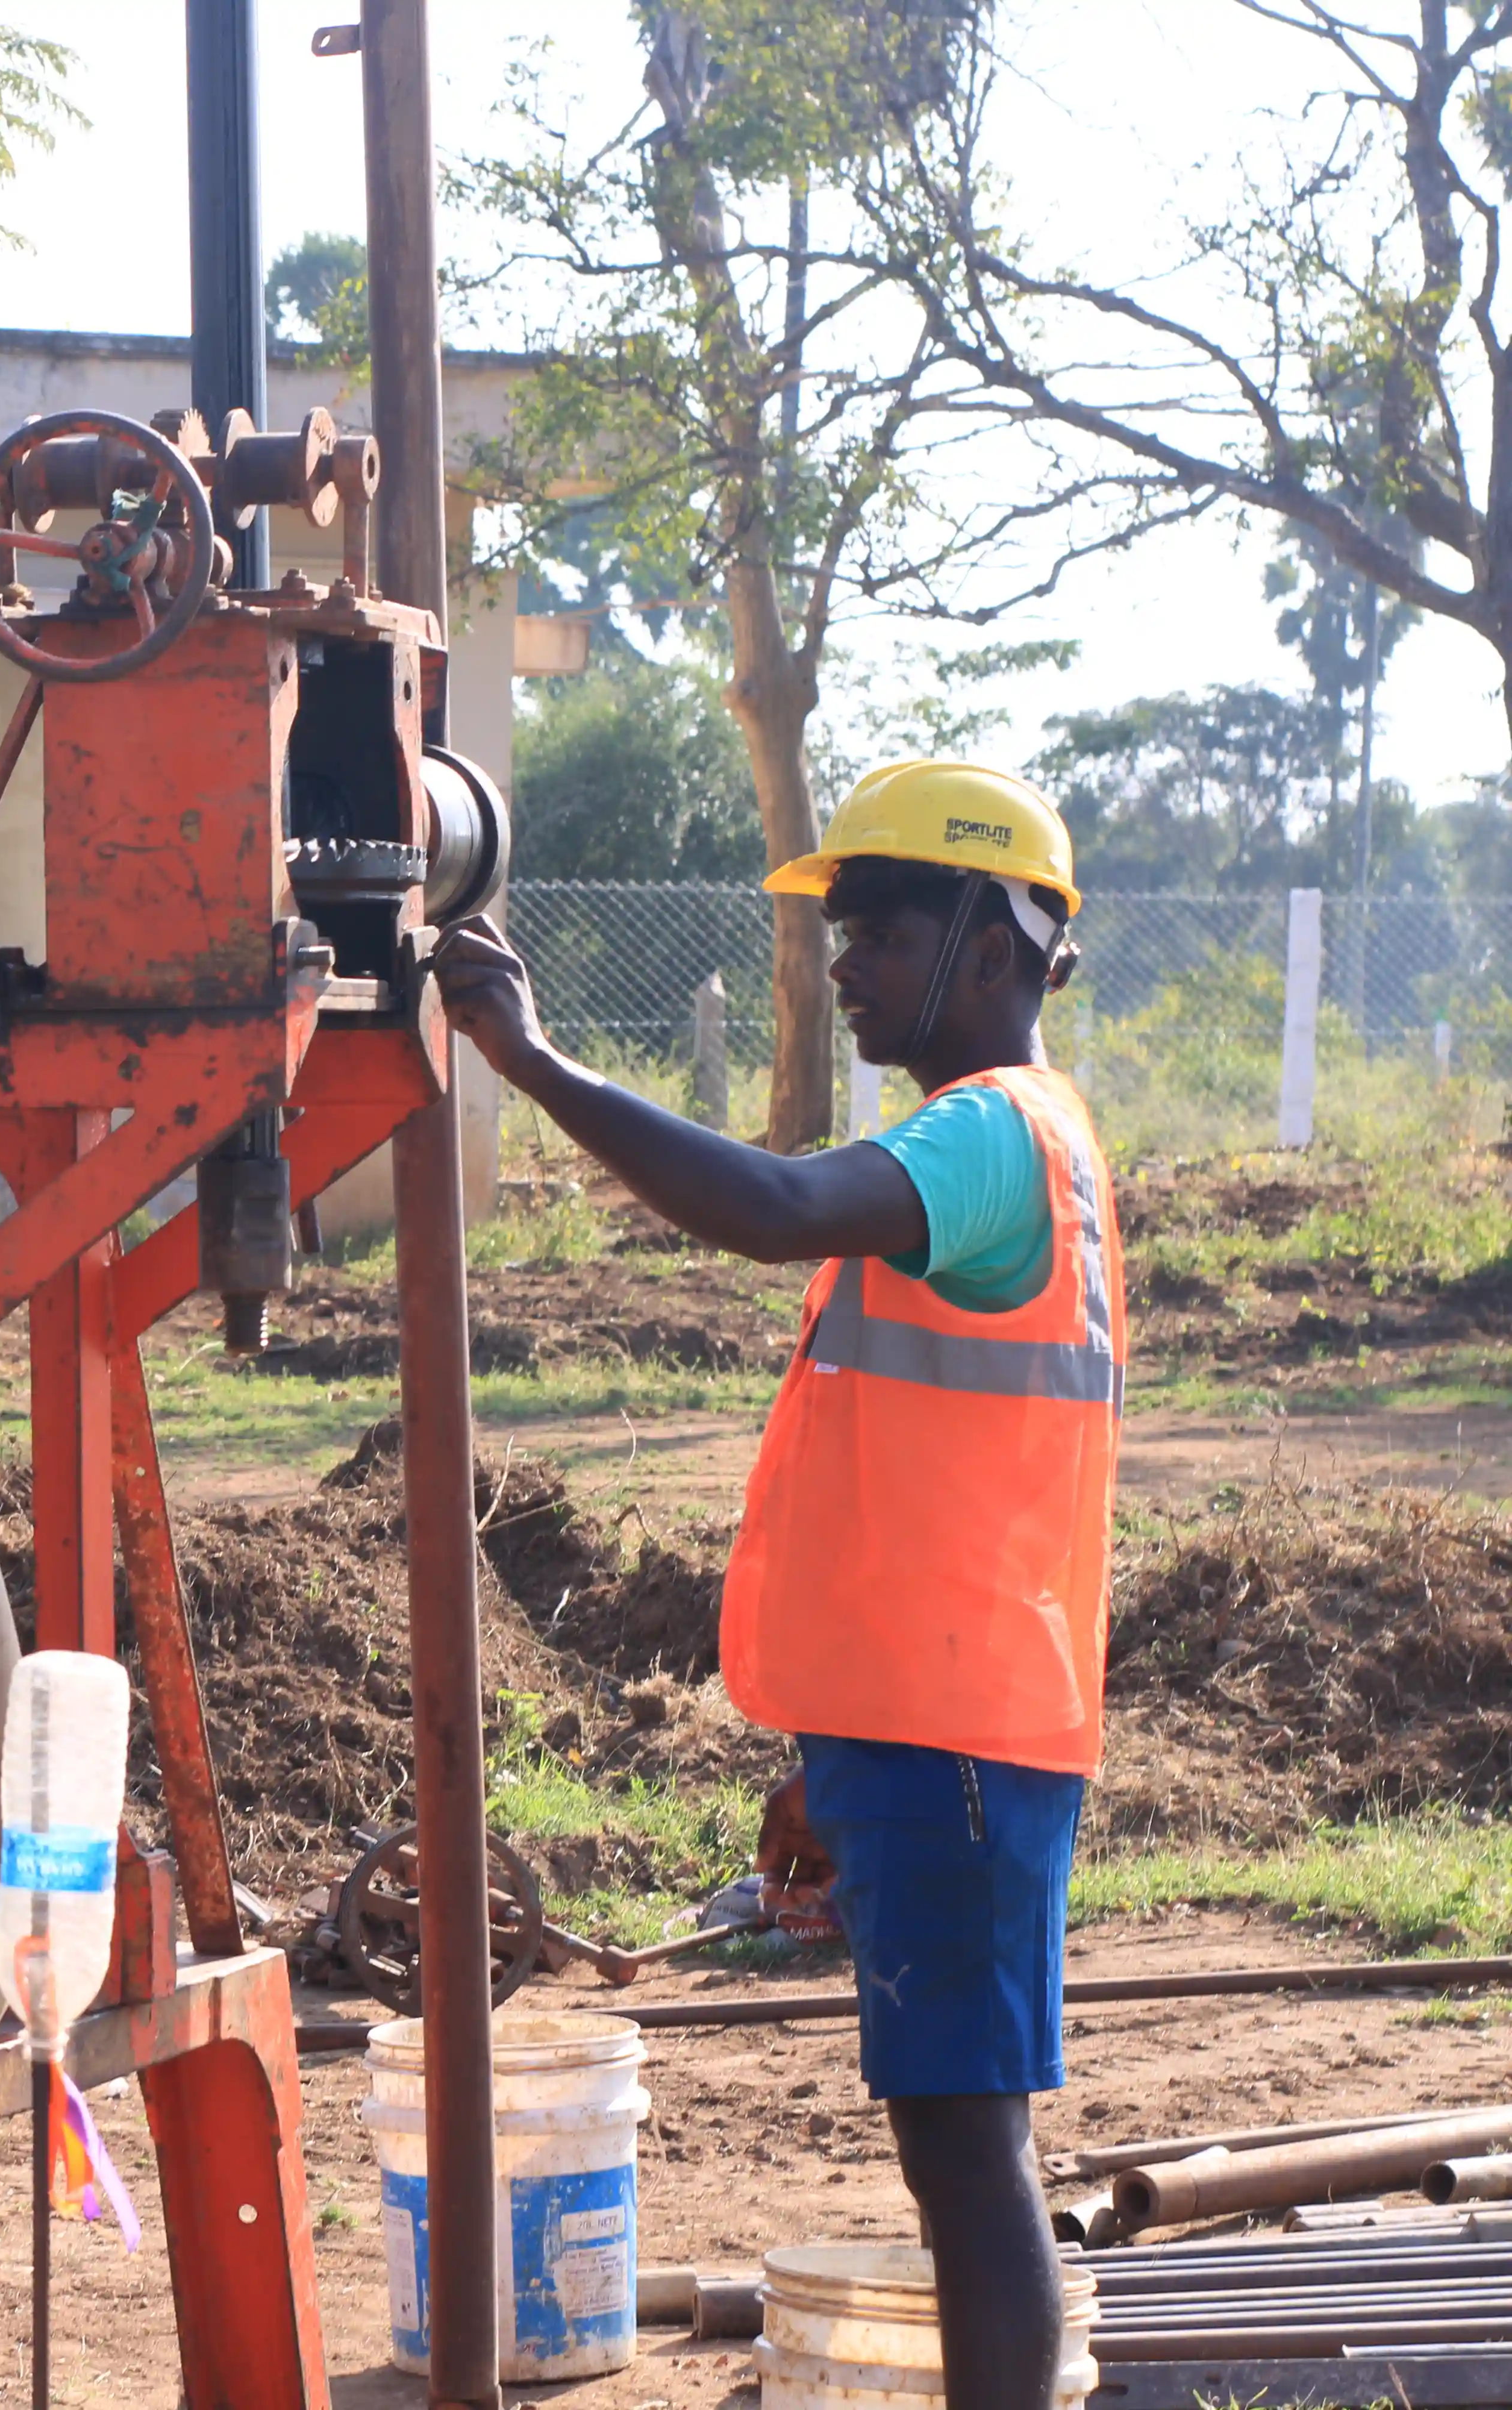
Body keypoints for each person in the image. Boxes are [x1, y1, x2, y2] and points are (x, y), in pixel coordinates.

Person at [433, 762, 1124, 2410]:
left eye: (879, 921)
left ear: (998, 939)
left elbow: (768, 1204)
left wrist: (530, 1061)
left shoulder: (987, 1136)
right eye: (838, 924)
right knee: (959, 2145)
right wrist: (828, 1759)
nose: (844, 954)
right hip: (933, 1727)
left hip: (960, 1738)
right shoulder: (1007, 1143)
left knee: (967, 2159)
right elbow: (914, 1497)